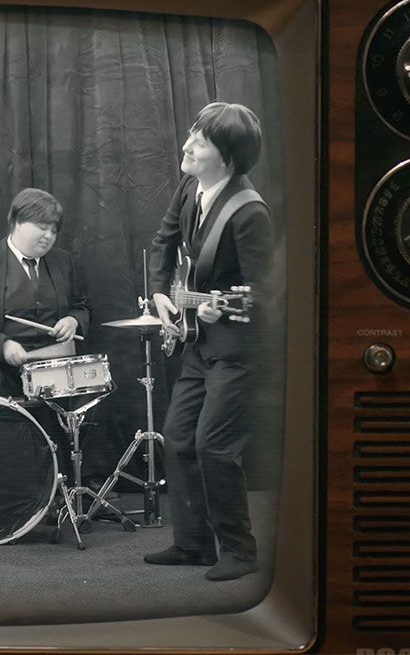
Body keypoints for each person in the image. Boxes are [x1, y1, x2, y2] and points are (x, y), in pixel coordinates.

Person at [145, 101, 273, 581]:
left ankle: (240, 551)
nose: (186, 146)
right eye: (191, 137)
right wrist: (161, 294)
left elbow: (268, 292)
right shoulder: (189, 186)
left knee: (214, 446)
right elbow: (163, 241)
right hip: (198, 341)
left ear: (228, 157)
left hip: (239, 350)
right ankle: (194, 545)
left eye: (198, 142)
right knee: (177, 439)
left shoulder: (249, 213)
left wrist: (232, 306)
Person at [0, 187, 90, 398]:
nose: (48, 236)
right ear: (17, 223)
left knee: (92, 384)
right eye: (42, 227)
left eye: (53, 230)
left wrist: (73, 320)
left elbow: (81, 306)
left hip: (49, 363)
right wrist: (2, 345)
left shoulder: (63, 261)